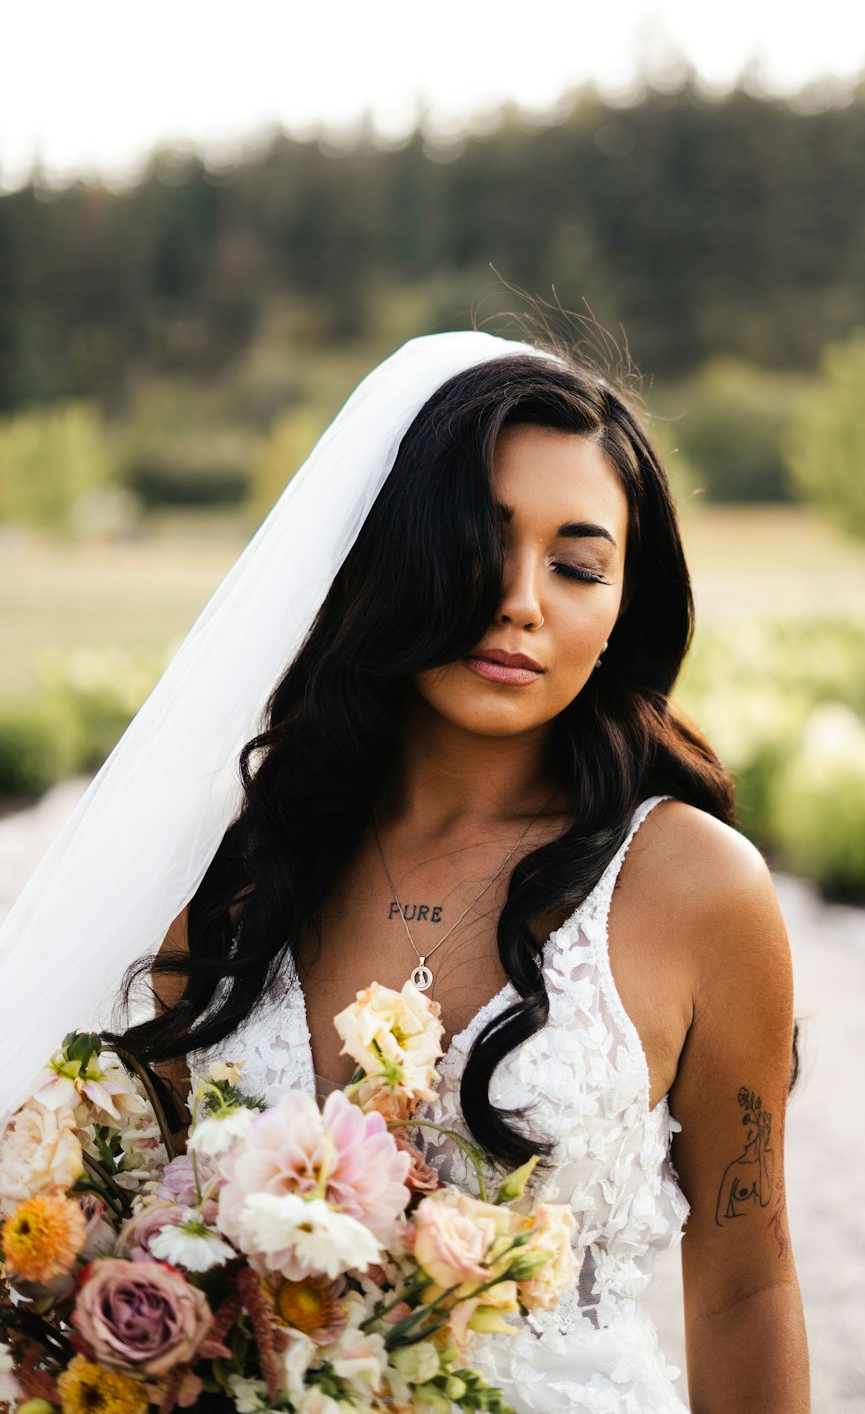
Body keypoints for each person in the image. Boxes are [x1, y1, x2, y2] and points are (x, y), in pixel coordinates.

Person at [0, 329, 809, 1412]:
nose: (522, 600)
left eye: (577, 565)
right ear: (389, 555)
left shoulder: (698, 888)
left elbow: (744, 1280)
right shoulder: (241, 871)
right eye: (479, 542)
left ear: (624, 607)